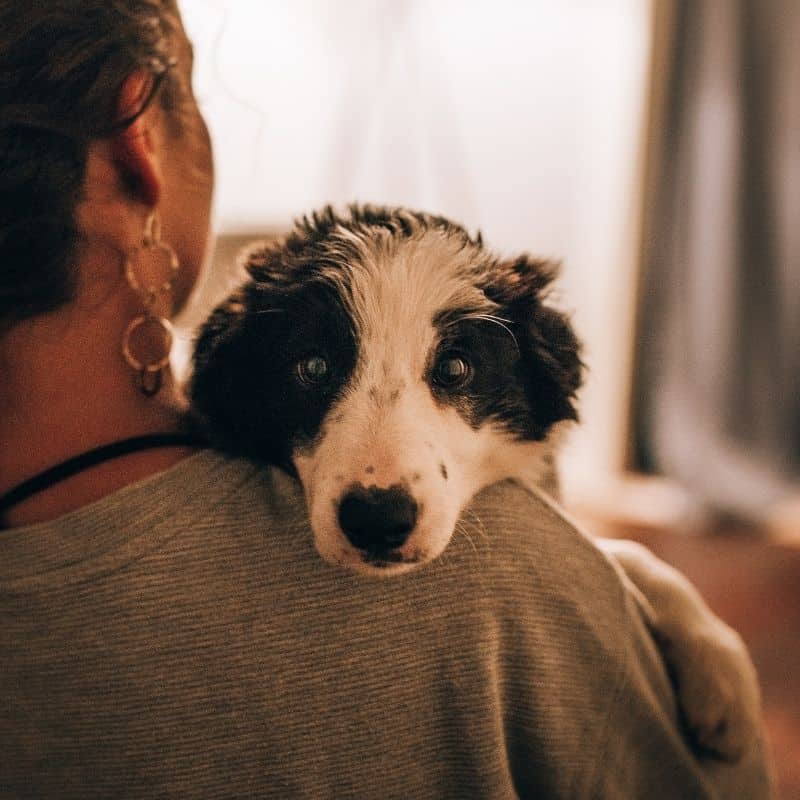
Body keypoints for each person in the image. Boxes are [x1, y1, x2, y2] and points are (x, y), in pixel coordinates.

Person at [0, 2, 774, 798]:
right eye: (312, 369)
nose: (381, 466)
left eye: (456, 374)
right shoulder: (506, 581)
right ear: (141, 145)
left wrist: (640, 579)